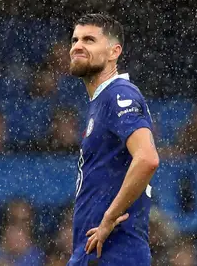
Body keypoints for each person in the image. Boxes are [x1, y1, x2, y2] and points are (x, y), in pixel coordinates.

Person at [67, 13, 160, 265]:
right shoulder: (100, 101)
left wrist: (108, 219)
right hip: (93, 250)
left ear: (113, 52)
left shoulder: (118, 94)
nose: (77, 45)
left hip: (115, 251)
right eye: (75, 39)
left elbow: (147, 159)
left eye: (89, 40)